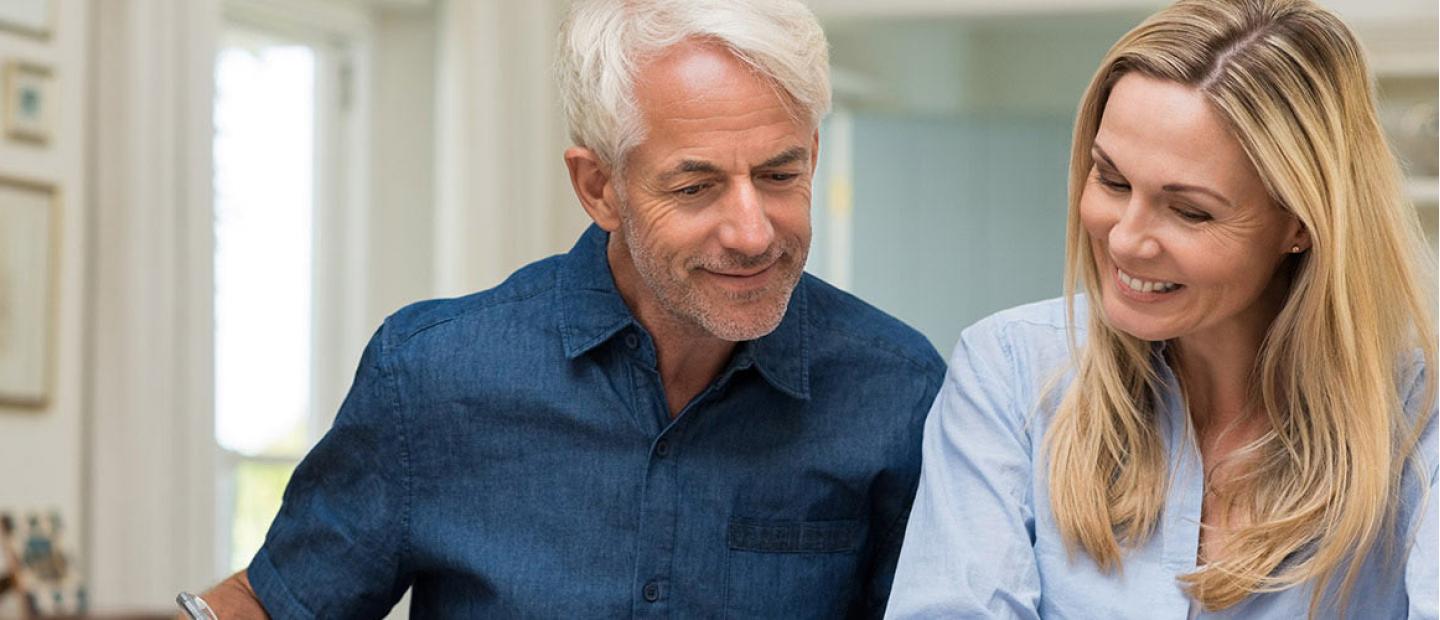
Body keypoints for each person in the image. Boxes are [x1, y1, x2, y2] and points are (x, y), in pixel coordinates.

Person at [191, 0, 946, 617]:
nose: (752, 232)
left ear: (812, 154)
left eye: (780, 175)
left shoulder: (896, 390)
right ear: (598, 188)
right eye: (695, 187)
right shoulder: (431, 373)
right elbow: (274, 603)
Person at [885, 0, 1437, 617]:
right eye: (1112, 181)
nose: (1125, 239)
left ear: (1300, 224)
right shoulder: (1011, 373)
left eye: (1190, 211)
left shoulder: (1421, 422)